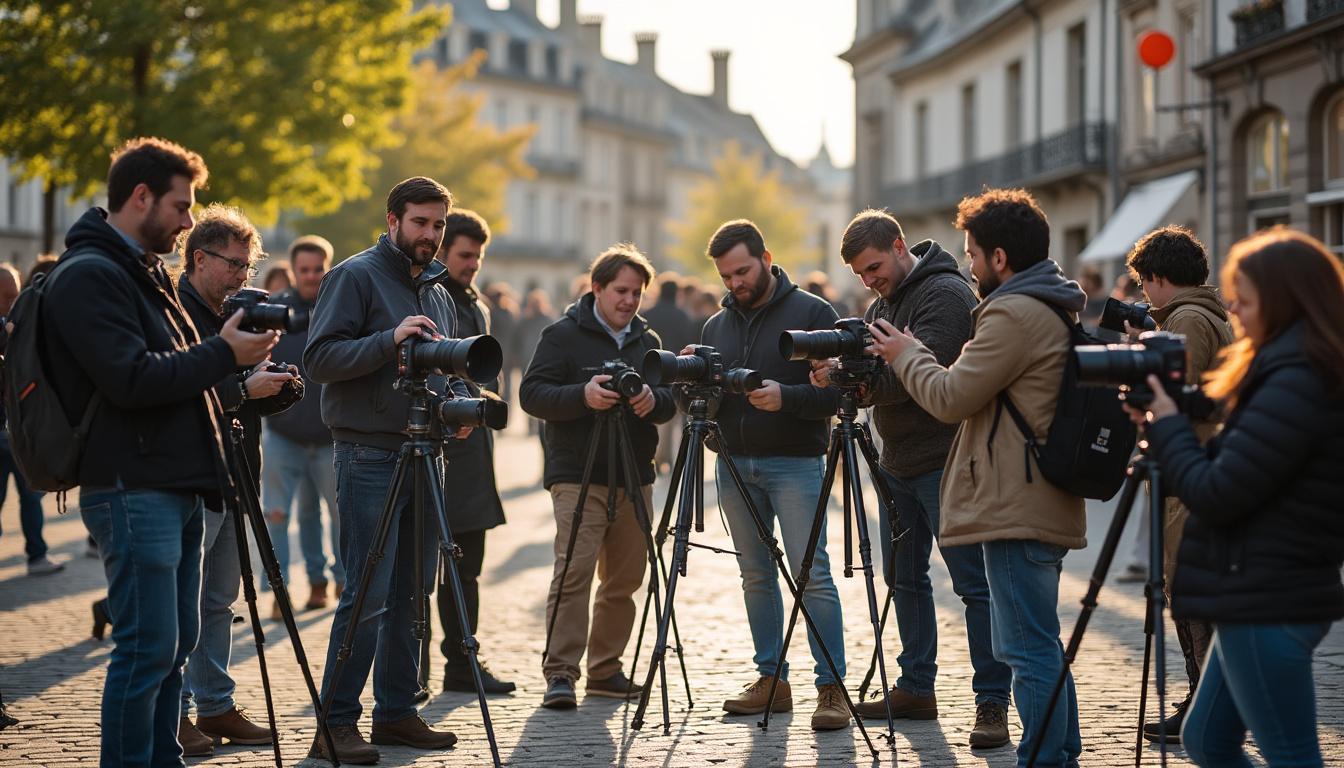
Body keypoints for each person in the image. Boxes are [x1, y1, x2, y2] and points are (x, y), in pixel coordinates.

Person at [46, 137, 278, 766]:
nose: (186, 222)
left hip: (175, 482)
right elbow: (132, 378)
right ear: (140, 197)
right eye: (181, 206)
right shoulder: (91, 274)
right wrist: (225, 356)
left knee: (173, 647)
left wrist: (232, 372)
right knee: (146, 647)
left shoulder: (141, 272)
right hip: (131, 483)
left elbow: (178, 373)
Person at [866, 188, 1088, 768]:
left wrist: (907, 354)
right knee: (1040, 641)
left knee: (1024, 647)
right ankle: (1061, 752)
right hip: (1039, 490)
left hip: (1015, 498)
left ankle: (1044, 759)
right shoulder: (1049, 302)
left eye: (971, 254)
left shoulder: (1013, 312)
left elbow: (950, 396)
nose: (967, 265)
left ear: (999, 259)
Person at [1124, 227, 1344, 766]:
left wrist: (1171, 426)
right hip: (1263, 585)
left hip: (1270, 594)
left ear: (1285, 300)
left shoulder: (1295, 378)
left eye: (1244, 297)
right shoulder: (1286, 368)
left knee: (1290, 754)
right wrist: (1187, 407)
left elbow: (1219, 492)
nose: (1234, 310)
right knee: (1206, 740)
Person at [814, 209, 1011, 746]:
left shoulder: (944, 293)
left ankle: (992, 702)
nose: (868, 281)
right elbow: (886, 370)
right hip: (897, 461)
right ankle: (916, 688)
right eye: (860, 275)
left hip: (946, 461)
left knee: (973, 586)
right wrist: (845, 374)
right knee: (905, 580)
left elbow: (928, 371)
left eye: (873, 267)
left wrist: (860, 380)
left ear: (900, 247)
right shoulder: (886, 300)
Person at [304, 177, 468, 763]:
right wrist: (387, 339)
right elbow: (319, 360)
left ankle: (397, 714)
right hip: (368, 453)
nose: (431, 235)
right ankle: (335, 723)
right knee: (368, 592)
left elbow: (438, 368)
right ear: (394, 219)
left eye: (439, 225)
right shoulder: (354, 275)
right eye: (421, 223)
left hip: (427, 450)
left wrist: (458, 405)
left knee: (413, 591)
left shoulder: (440, 290)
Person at [695, 219, 849, 731]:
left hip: (796, 463)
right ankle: (771, 680)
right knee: (755, 575)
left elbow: (838, 395)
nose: (735, 283)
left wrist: (788, 399)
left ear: (766, 257)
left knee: (814, 575)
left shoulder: (813, 312)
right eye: (726, 276)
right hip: (734, 464)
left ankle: (832, 689)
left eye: (742, 271)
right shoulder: (715, 327)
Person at [520, 244, 675, 710]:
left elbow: (670, 398)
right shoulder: (562, 335)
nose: (629, 300)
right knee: (573, 574)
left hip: (633, 475)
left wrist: (654, 403)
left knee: (624, 580)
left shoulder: (649, 342)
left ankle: (606, 671)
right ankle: (561, 673)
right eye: (621, 291)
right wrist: (581, 396)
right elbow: (532, 395)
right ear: (598, 288)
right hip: (576, 473)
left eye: (637, 293)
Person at [174, 203, 301, 756]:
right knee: (182, 601)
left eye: (248, 268)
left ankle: (216, 705)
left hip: (236, 471)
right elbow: (174, 393)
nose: (241, 278)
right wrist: (242, 390)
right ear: (199, 259)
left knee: (220, 600)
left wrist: (268, 389)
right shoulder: (174, 311)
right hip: (189, 474)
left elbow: (235, 397)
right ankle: (172, 711)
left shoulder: (237, 312)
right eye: (233, 266)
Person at [1115, 226, 1234, 742]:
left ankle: (1206, 708)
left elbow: (1168, 391)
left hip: (1188, 470)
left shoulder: (1186, 319)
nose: (1143, 295)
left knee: (1186, 588)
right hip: (1199, 465)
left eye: (1144, 284)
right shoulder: (1207, 314)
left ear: (1160, 278)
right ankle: (1206, 703)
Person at [431, 209, 514, 695]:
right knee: (422, 569)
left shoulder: (476, 302)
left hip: (473, 449)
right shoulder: (431, 297)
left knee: (468, 566)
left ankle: (462, 662)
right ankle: (411, 673)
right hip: (438, 445)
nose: (472, 265)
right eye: (465, 255)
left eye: (478, 257)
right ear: (443, 251)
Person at [263, 235, 343, 616]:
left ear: (328, 266)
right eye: (304, 270)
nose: (311, 276)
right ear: (293, 270)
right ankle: (280, 591)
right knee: (277, 514)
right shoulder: (274, 310)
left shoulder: (344, 308)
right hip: (283, 433)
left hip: (331, 434)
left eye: (318, 269)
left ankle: (338, 583)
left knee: (337, 514)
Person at [0, 262, 60, 576]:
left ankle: (37, 555)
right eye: (5, 298)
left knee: (31, 498)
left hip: (20, 430)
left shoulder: (19, 325)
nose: (11, 305)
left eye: (14, 297)